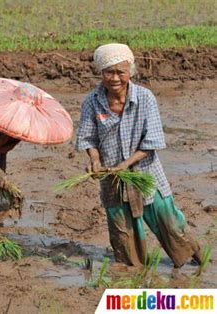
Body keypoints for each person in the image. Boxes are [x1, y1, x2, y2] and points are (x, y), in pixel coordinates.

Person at [75, 43, 202, 267]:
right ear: (100, 72)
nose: (114, 78)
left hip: (146, 174)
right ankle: (132, 270)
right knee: (123, 235)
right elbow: (87, 138)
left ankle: (197, 259)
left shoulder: (145, 98)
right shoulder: (91, 102)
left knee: (171, 224)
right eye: (109, 72)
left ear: (130, 72)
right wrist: (94, 159)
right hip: (112, 179)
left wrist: (125, 164)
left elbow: (151, 141)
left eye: (120, 72)